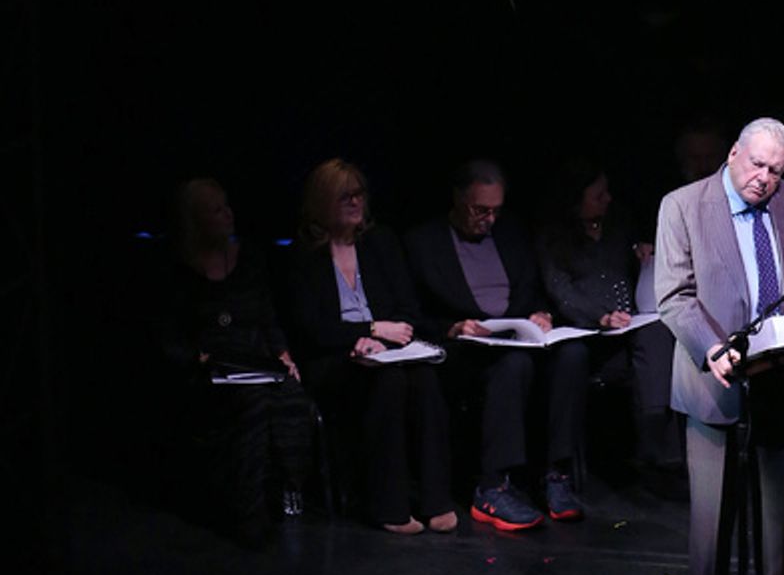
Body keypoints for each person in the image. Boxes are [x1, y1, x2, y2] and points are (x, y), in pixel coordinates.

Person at [655, 116, 784, 575]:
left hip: (780, 368)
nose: (764, 179)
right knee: (713, 502)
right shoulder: (683, 206)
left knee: (778, 496)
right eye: (757, 164)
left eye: (775, 170)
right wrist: (710, 347)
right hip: (712, 370)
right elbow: (674, 295)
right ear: (732, 153)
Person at [404, 159, 582, 530]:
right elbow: (413, 312)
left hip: (515, 337)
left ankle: (556, 475)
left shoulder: (511, 233)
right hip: (463, 349)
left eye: (496, 210)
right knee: (512, 365)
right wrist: (452, 327)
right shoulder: (424, 242)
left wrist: (539, 314)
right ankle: (493, 486)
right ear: (457, 198)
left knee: (572, 354)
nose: (489, 219)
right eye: (480, 210)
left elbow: (531, 289)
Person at [288, 160, 455, 535]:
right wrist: (365, 332)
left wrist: (378, 338)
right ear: (322, 202)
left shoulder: (381, 243)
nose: (355, 202)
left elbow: (406, 309)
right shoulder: (304, 255)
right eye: (344, 196)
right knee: (390, 383)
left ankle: (436, 500)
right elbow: (310, 327)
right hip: (333, 358)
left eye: (359, 194)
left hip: (385, 350)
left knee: (425, 378)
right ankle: (389, 505)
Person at [155, 178, 314, 547]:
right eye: (216, 210)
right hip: (206, 370)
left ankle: (287, 492)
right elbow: (167, 338)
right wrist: (199, 358)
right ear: (194, 222)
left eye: (227, 205)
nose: (228, 214)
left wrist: (282, 354)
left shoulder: (249, 260)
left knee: (291, 397)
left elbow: (268, 316)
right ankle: (248, 510)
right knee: (251, 405)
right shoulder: (176, 270)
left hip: (254, 360)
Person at [535, 157, 681, 480]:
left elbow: (630, 268)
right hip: (583, 330)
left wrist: (642, 251)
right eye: (598, 196)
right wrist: (599, 317)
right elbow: (560, 289)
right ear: (576, 200)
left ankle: (655, 434)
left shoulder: (618, 225)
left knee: (657, 331)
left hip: (628, 324)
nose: (608, 200)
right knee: (580, 358)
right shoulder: (554, 238)